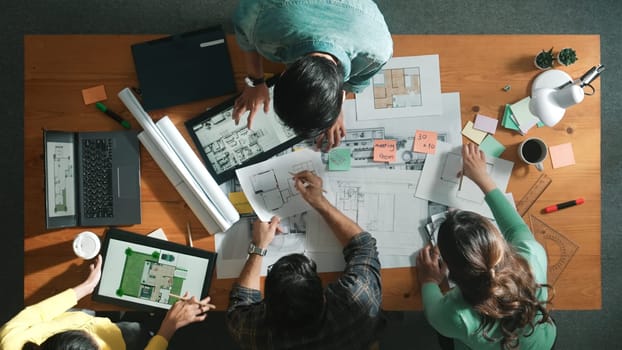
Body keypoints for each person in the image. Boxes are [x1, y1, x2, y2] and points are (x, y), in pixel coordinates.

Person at [416, 143, 557, 350]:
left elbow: (433, 314)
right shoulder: (531, 257)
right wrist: (482, 177)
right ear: (497, 241)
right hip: (543, 342)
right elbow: (515, 227)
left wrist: (429, 280)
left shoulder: (455, 316)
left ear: (450, 268)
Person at [226, 171, 384, 349]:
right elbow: (363, 246)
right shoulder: (357, 302)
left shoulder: (255, 334)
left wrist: (258, 246)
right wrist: (320, 202)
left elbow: (241, 303)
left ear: (267, 304)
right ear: (323, 297)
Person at [231, 0, 393, 150]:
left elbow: (353, 83)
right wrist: (255, 81)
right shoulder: (263, 21)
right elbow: (242, 30)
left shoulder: (377, 53)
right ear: (283, 74)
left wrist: (331, 108)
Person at [0, 255, 215, 350]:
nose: (93, 333)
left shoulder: (9, 340)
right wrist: (167, 329)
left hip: (83, 314)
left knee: (94, 317)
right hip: (120, 342)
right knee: (134, 331)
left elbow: (37, 313)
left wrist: (86, 287)